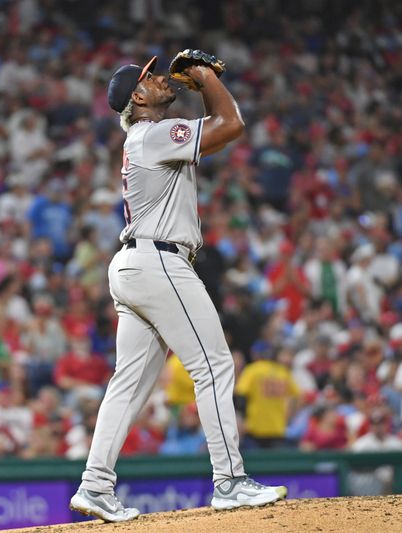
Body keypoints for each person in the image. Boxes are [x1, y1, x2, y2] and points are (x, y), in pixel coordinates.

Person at [69, 53, 286, 523]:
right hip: (159, 262)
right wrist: (206, 79)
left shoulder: (143, 138)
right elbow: (230, 125)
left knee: (127, 385)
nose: (161, 77)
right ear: (138, 97)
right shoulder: (152, 133)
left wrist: (206, 87)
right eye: (148, 77)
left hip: (135, 266)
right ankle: (229, 481)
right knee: (213, 364)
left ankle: (95, 484)